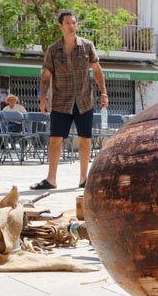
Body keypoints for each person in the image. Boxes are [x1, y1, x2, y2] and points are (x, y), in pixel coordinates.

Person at [32, 10, 108, 190]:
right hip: (60, 101)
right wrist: (42, 98)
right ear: (61, 26)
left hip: (84, 101)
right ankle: (51, 179)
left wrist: (103, 92)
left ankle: (84, 179)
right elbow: (45, 76)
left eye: (74, 22)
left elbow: (97, 70)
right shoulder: (52, 50)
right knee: (55, 139)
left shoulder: (87, 46)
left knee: (85, 139)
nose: (71, 25)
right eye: (67, 23)